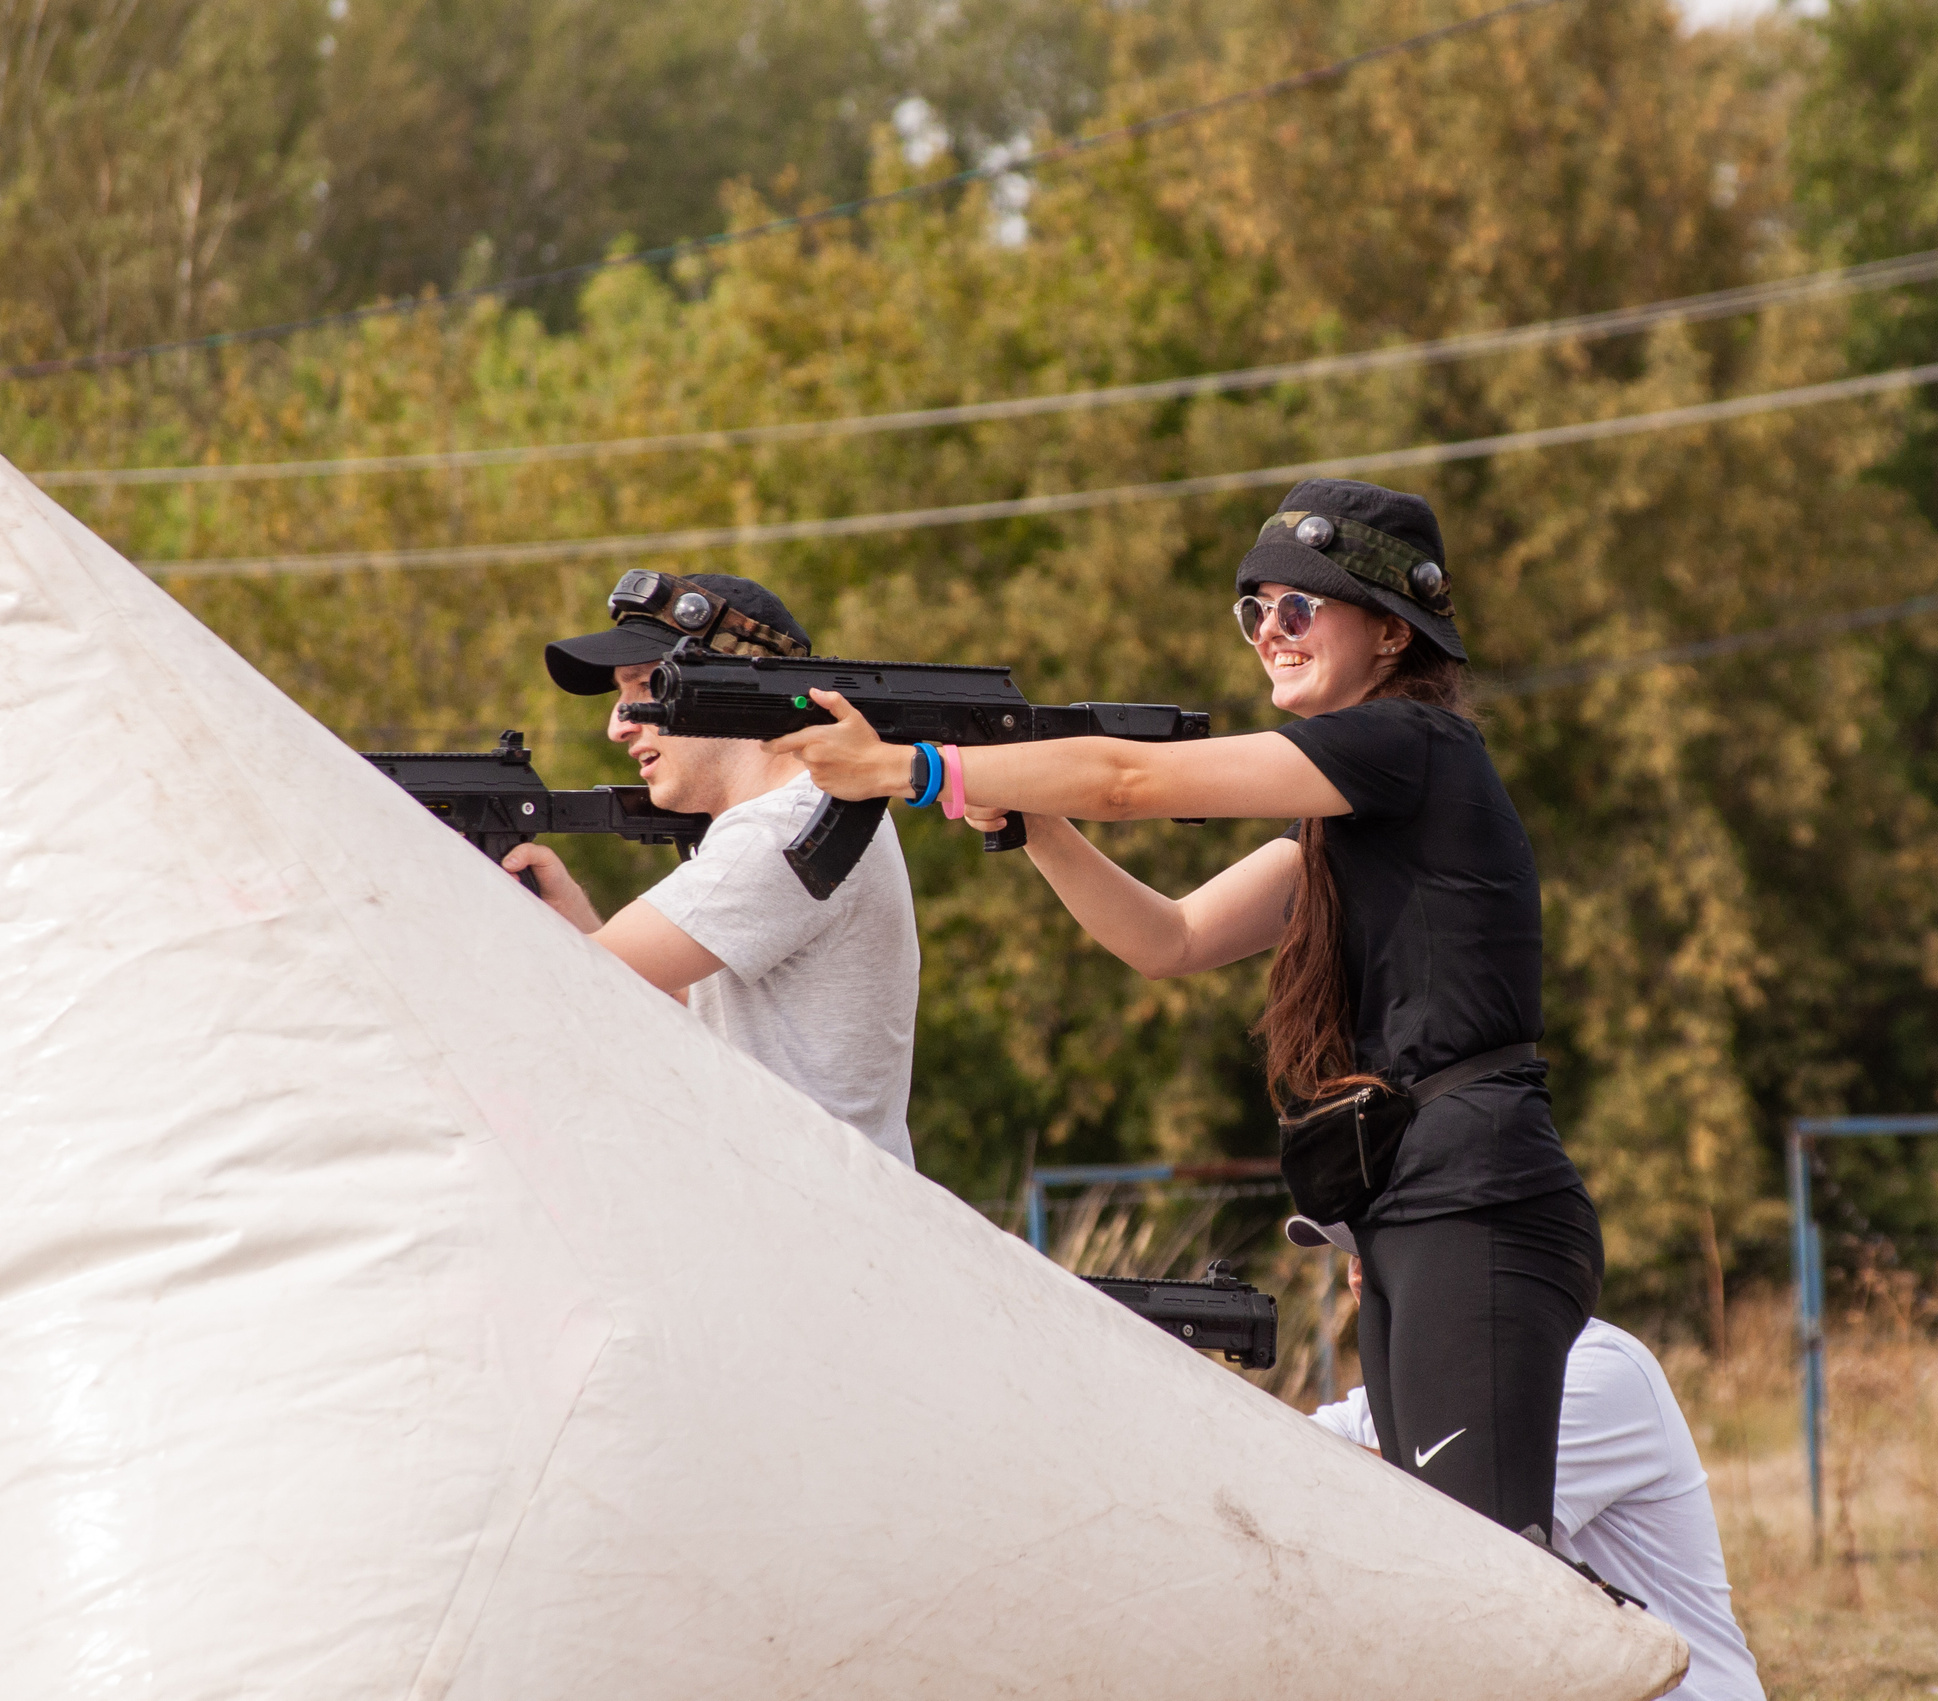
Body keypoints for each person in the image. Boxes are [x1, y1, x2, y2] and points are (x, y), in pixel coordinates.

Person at [771, 478, 1602, 1533]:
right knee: (1453, 1555)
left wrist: (912, 766)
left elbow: (1128, 779)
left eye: (1299, 606)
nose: (1269, 632)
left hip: (1474, 1198)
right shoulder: (1354, 818)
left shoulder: (1410, 744)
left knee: (1489, 1563)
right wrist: (1034, 824)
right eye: (1254, 610)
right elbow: (1167, 941)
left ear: (1394, 634)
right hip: (1416, 1205)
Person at [508, 569, 921, 1167]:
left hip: (807, 1210)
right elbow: (684, 1014)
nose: (618, 724)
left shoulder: (781, 829)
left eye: (647, 683)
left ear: (736, 687)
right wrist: (569, 913)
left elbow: (575, 988)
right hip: (813, 1206)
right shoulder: (798, 815)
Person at [1296, 1222, 1765, 1701]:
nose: (1358, 1276)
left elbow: (1451, 1517)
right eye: (1354, 1256)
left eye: (1378, 1252)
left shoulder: (1592, 1366)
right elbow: (1291, 1460)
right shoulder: (1411, 1383)